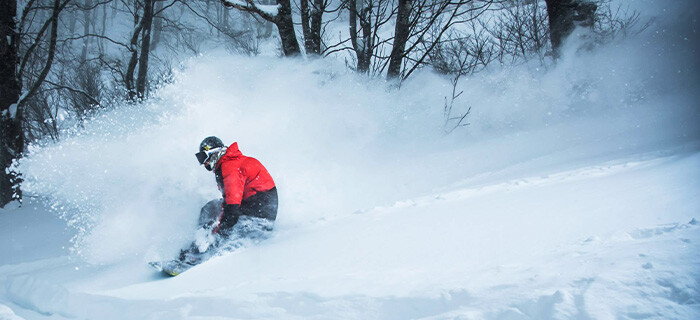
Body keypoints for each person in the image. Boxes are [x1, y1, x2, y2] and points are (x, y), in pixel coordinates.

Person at [180, 136, 278, 264]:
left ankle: (202, 251)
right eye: (200, 159)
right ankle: (200, 244)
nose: (203, 163)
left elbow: (232, 208)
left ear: (214, 153)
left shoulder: (230, 167)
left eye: (203, 157)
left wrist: (219, 236)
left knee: (215, 212)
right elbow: (230, 202)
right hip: (259, 209)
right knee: (212, 207)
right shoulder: (232, 162)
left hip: (257, 215)